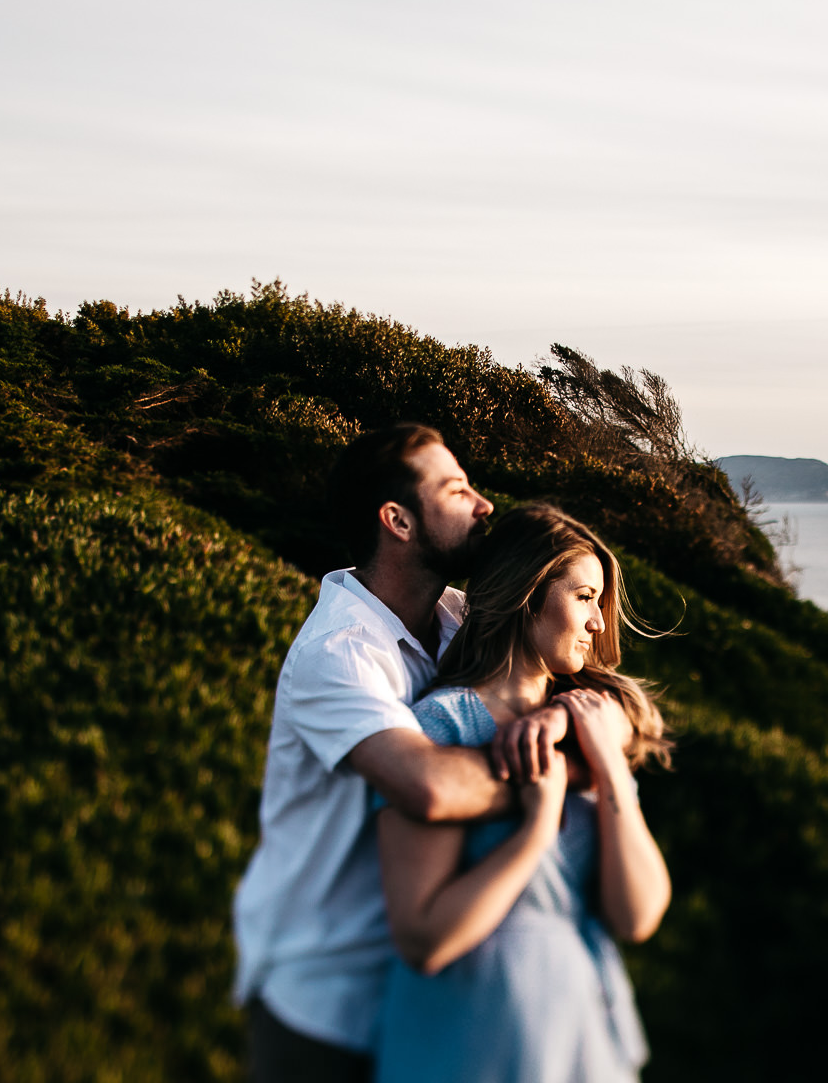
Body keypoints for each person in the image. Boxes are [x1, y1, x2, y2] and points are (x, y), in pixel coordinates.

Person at [232, 424, 576, 1083]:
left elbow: (582, 682)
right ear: (398, 521)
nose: (484, 505)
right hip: (326, 997)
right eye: (456, 490)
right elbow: (429, 788)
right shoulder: (338, 653)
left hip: (433, 988)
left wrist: (572, 720)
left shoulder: (458, 618)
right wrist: (548, 779)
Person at [373, 503, 672, 1083]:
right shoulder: (441, 729)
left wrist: (609, 765)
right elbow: (425, 941)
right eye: (585, 598)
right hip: (475, 1036)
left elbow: (636, 916)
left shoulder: (593, 727)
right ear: (526, 590)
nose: (599, 624)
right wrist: (536, 830)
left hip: (584, 1030)